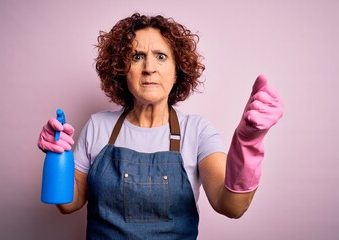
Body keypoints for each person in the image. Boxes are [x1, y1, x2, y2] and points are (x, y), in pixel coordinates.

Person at [37, 13, 283, 239]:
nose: (149, 68)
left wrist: (248, 142)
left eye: (161, 56)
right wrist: (58, 157)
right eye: (137, 57)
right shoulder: (98, 126)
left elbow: (232, 206)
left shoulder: (197, 131)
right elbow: (68, 204)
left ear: (177, 71)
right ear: (122, 70)